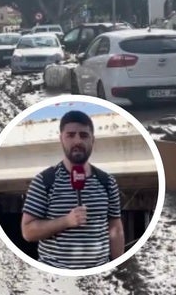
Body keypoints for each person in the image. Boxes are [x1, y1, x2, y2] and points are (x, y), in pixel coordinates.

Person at [21, 110, 125, 269]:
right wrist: (66, 221)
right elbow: (28, 232)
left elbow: (115, 229)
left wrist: (120, 269)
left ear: (93, 140)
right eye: (71, 135)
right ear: (61, 139)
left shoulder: (107, 182)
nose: (77, 141)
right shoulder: (44, 181)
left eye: (84, 135)